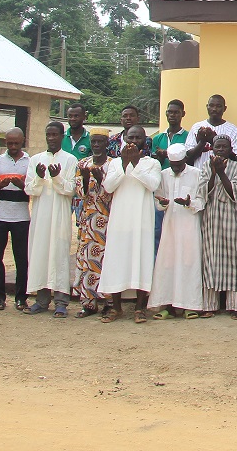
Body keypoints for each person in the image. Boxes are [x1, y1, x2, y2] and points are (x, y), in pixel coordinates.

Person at [99, 125, 161, 323]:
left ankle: (139, 308)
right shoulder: (115, 163)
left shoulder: (152, 163)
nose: (133, 141)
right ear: (124, 139)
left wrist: (135, 163)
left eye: (138, 137)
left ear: (144, 140)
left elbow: (153, 185)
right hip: (120, 220)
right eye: (130, 137)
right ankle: (116, 308)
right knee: (117, 260)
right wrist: (126, 164)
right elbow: (108, 187)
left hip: (142, 219)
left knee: (141, 260)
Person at [23, 122, 77, 318]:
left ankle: (61, 301)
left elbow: (70, 189)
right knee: (40, 254)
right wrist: (38, 177)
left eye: (55, 134)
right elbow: (30, 190)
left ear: (62, 136)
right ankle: (41, 300)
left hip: (61, 215)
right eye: (49, 134)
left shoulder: (70, 160)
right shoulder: (36, 159)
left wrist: (56, 178)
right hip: (40, 216)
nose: (52, 138)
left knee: (59, 255)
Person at [147, 144, 205, 319]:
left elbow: (202, 201)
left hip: (189, 225)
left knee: (189, 263)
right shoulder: (164, 175)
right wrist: (163, 203)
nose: (176, 168)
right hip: (170, 225)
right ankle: (169, 306)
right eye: (173, 165)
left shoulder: (196, 174)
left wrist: (189, 203)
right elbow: (158, 202)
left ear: (185, 160)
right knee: (168, 263)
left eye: (179, 165)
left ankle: (190, 305)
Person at [197, 134, 237, 317]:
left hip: (232, 218)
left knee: (233, 258)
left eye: (224, 147)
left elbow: (236, 193)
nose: (220, 150)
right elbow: (202, 192)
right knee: (211, 258)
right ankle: (210, 306)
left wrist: (222, 172)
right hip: (211, 218)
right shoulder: (205, 167)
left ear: (230, 149)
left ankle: (234, 306)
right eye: (217, 147)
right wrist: (214, 172)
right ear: (212, 148)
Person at [0, 128, 31, 311]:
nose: (12, 146)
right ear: (5, 142)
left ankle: (21, 298)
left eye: (16, 143)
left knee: (21, 258)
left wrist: (22, 185)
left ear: (23, 141)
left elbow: (33, 189)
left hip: (21, 215)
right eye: (9, 143)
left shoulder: (30, 161)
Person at [75, 128, 112, 318]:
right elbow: (81, 194)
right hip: (88, 220)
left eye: (100, 142)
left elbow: (110, 194)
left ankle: (108, 302)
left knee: (106, 261)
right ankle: (88, 303)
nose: (96, 145)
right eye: (94, 142)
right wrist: (87, 177)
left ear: (107, 143)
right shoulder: (83, 163)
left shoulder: (113, 165)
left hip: (107, 220)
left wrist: (100, 179)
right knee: (88, 261)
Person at [150, 99, 189, 255]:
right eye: (169, 112)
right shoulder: (158, 138)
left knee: (177, 228)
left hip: (180, 184)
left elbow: (188, 158)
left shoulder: (187, 136)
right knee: (158, 228)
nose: (172, 115)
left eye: (176, 112)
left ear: (182, 114)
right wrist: (160, 156)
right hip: (161, 184)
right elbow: (153, 163)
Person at [186, 94, 237, 158]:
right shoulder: (197, 127)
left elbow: (235, 157)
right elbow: (188, 155)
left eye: (218, 106)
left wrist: (213, 141)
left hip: (224, 167)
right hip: (199, 168)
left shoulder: (232, 129)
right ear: (207, 107)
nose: (214, 109)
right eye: (211, 106)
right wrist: (202, 141)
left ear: (224, 108)